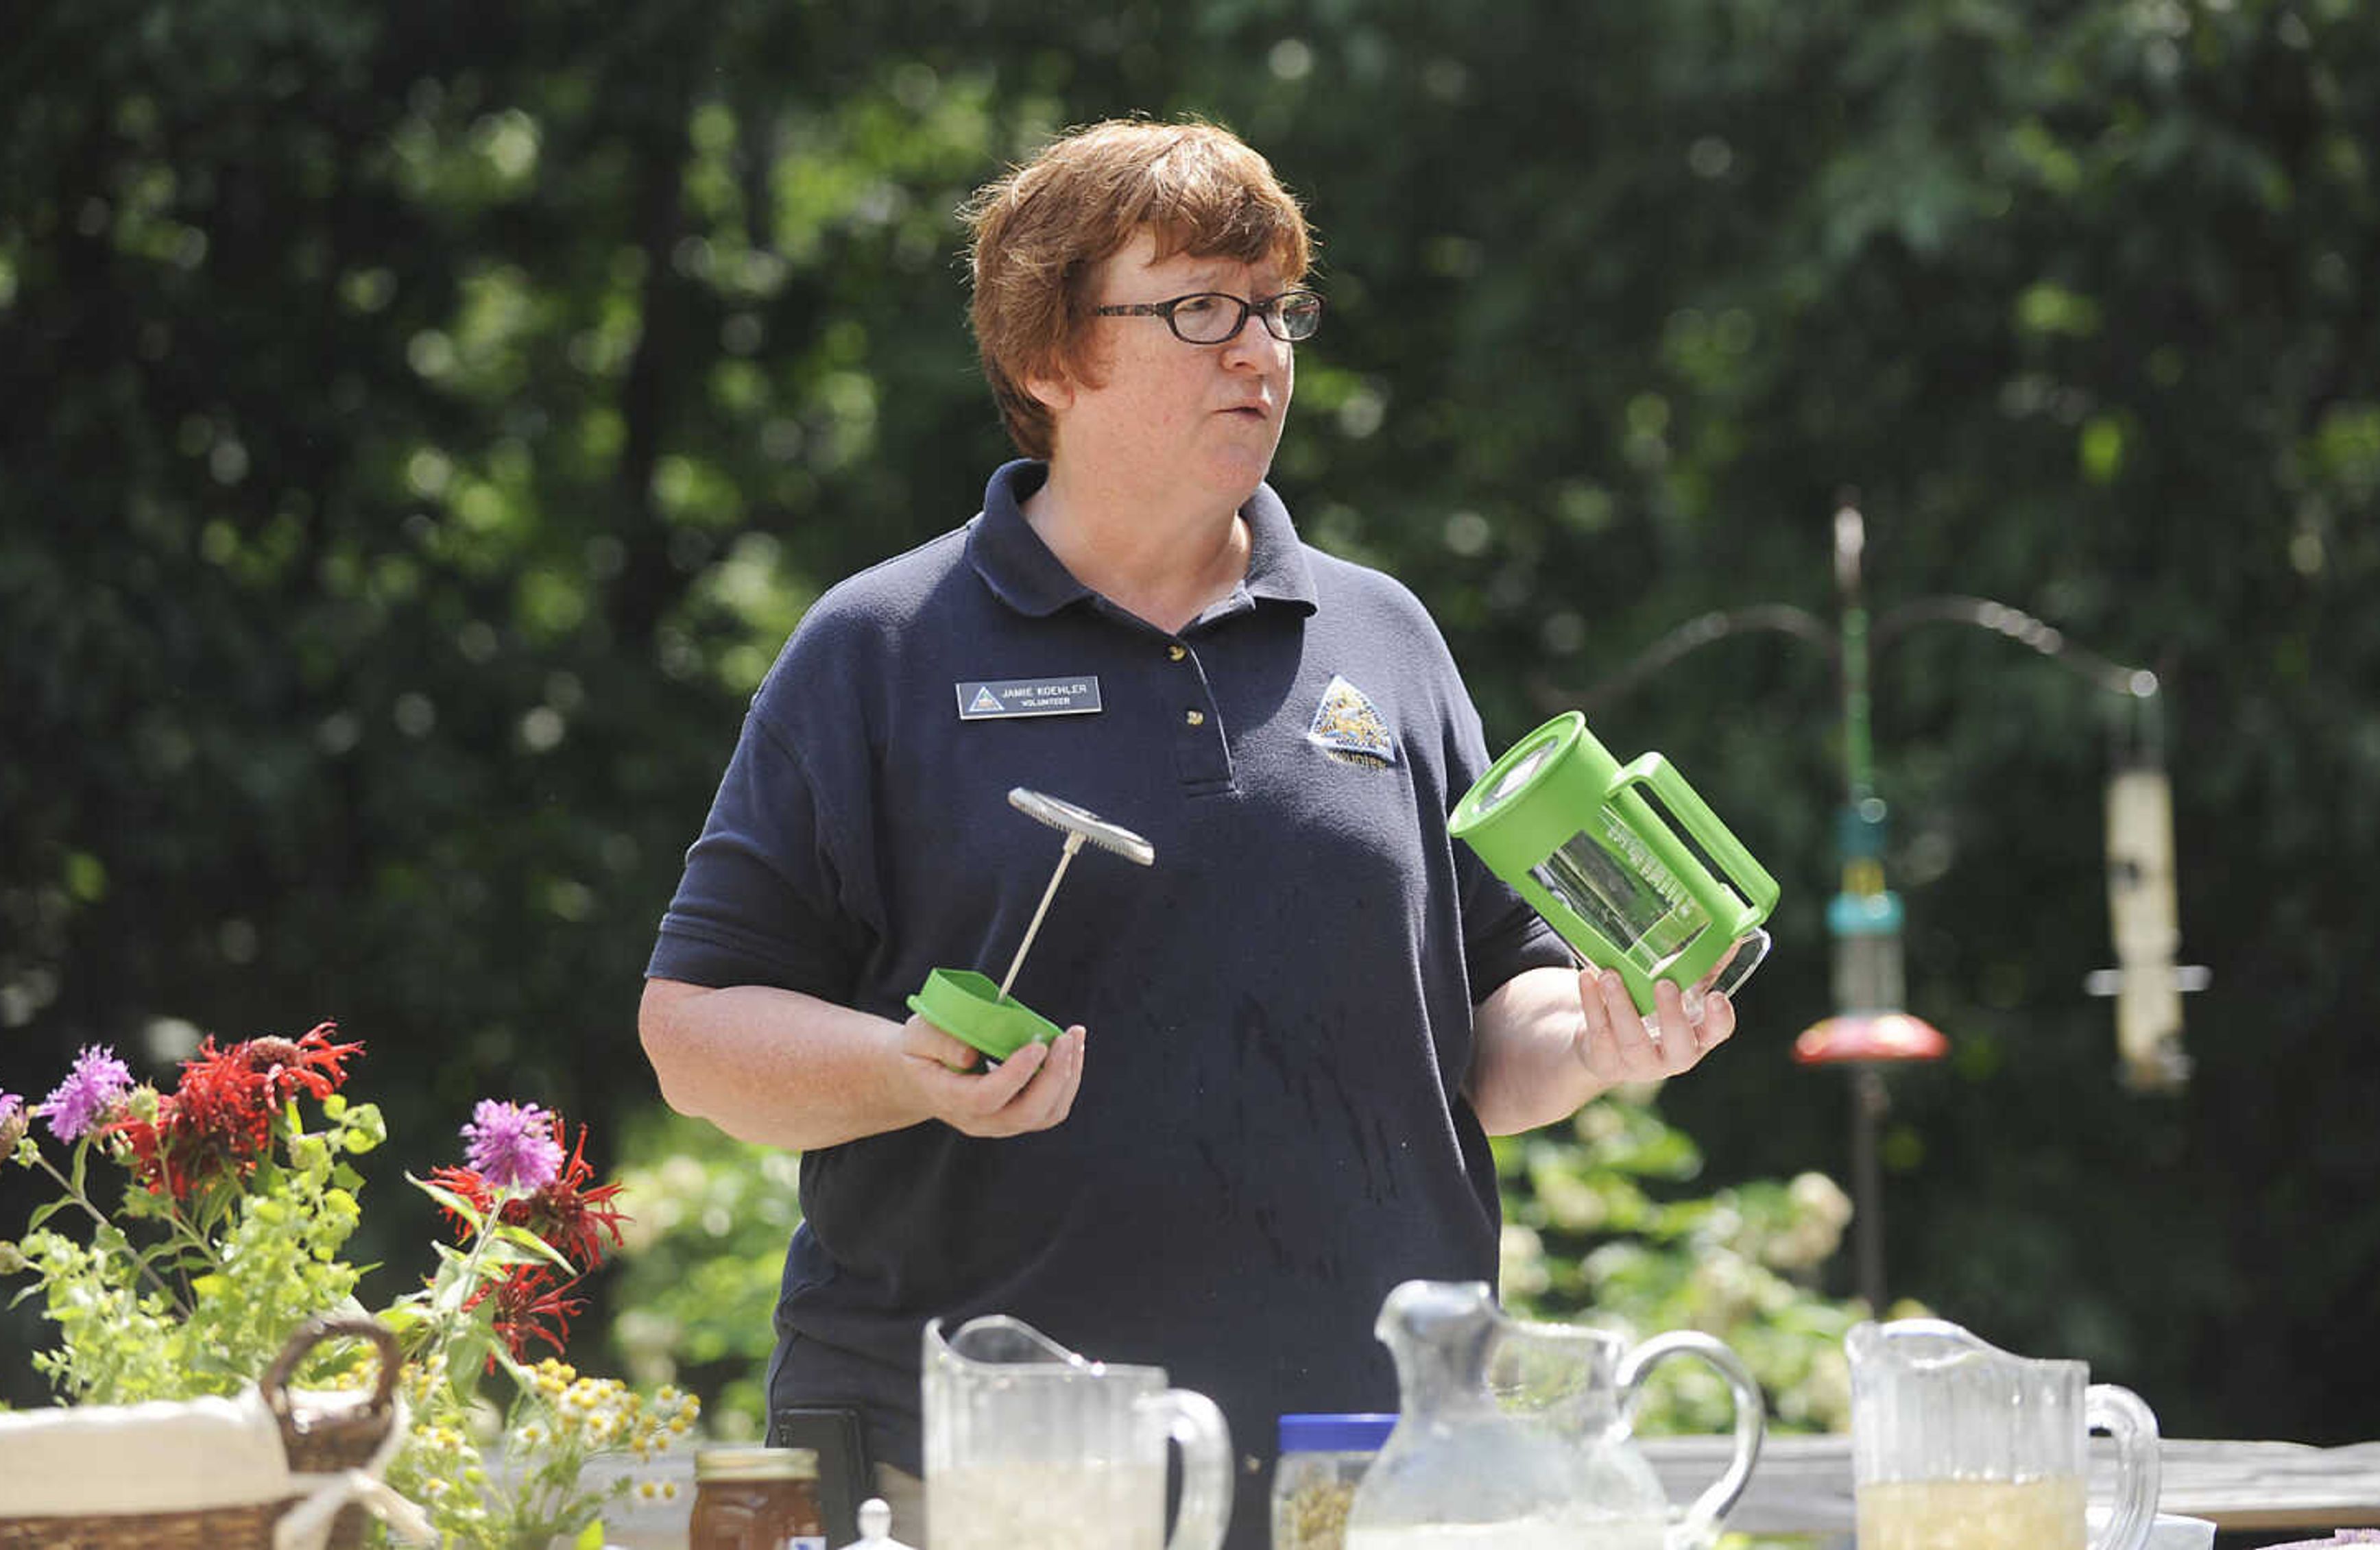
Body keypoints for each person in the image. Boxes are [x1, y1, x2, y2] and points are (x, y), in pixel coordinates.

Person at [638, 116, 1738, 1550]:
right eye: (1200, 308)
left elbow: (1484, 1029)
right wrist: (904, 1070)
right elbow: (696, 1032)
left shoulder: (1383, 637)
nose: (1259, 352)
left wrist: (1596, 1040)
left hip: (1369, 1477)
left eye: (1277, 311)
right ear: (1046, 356)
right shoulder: (880, 646)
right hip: (978, 1476)